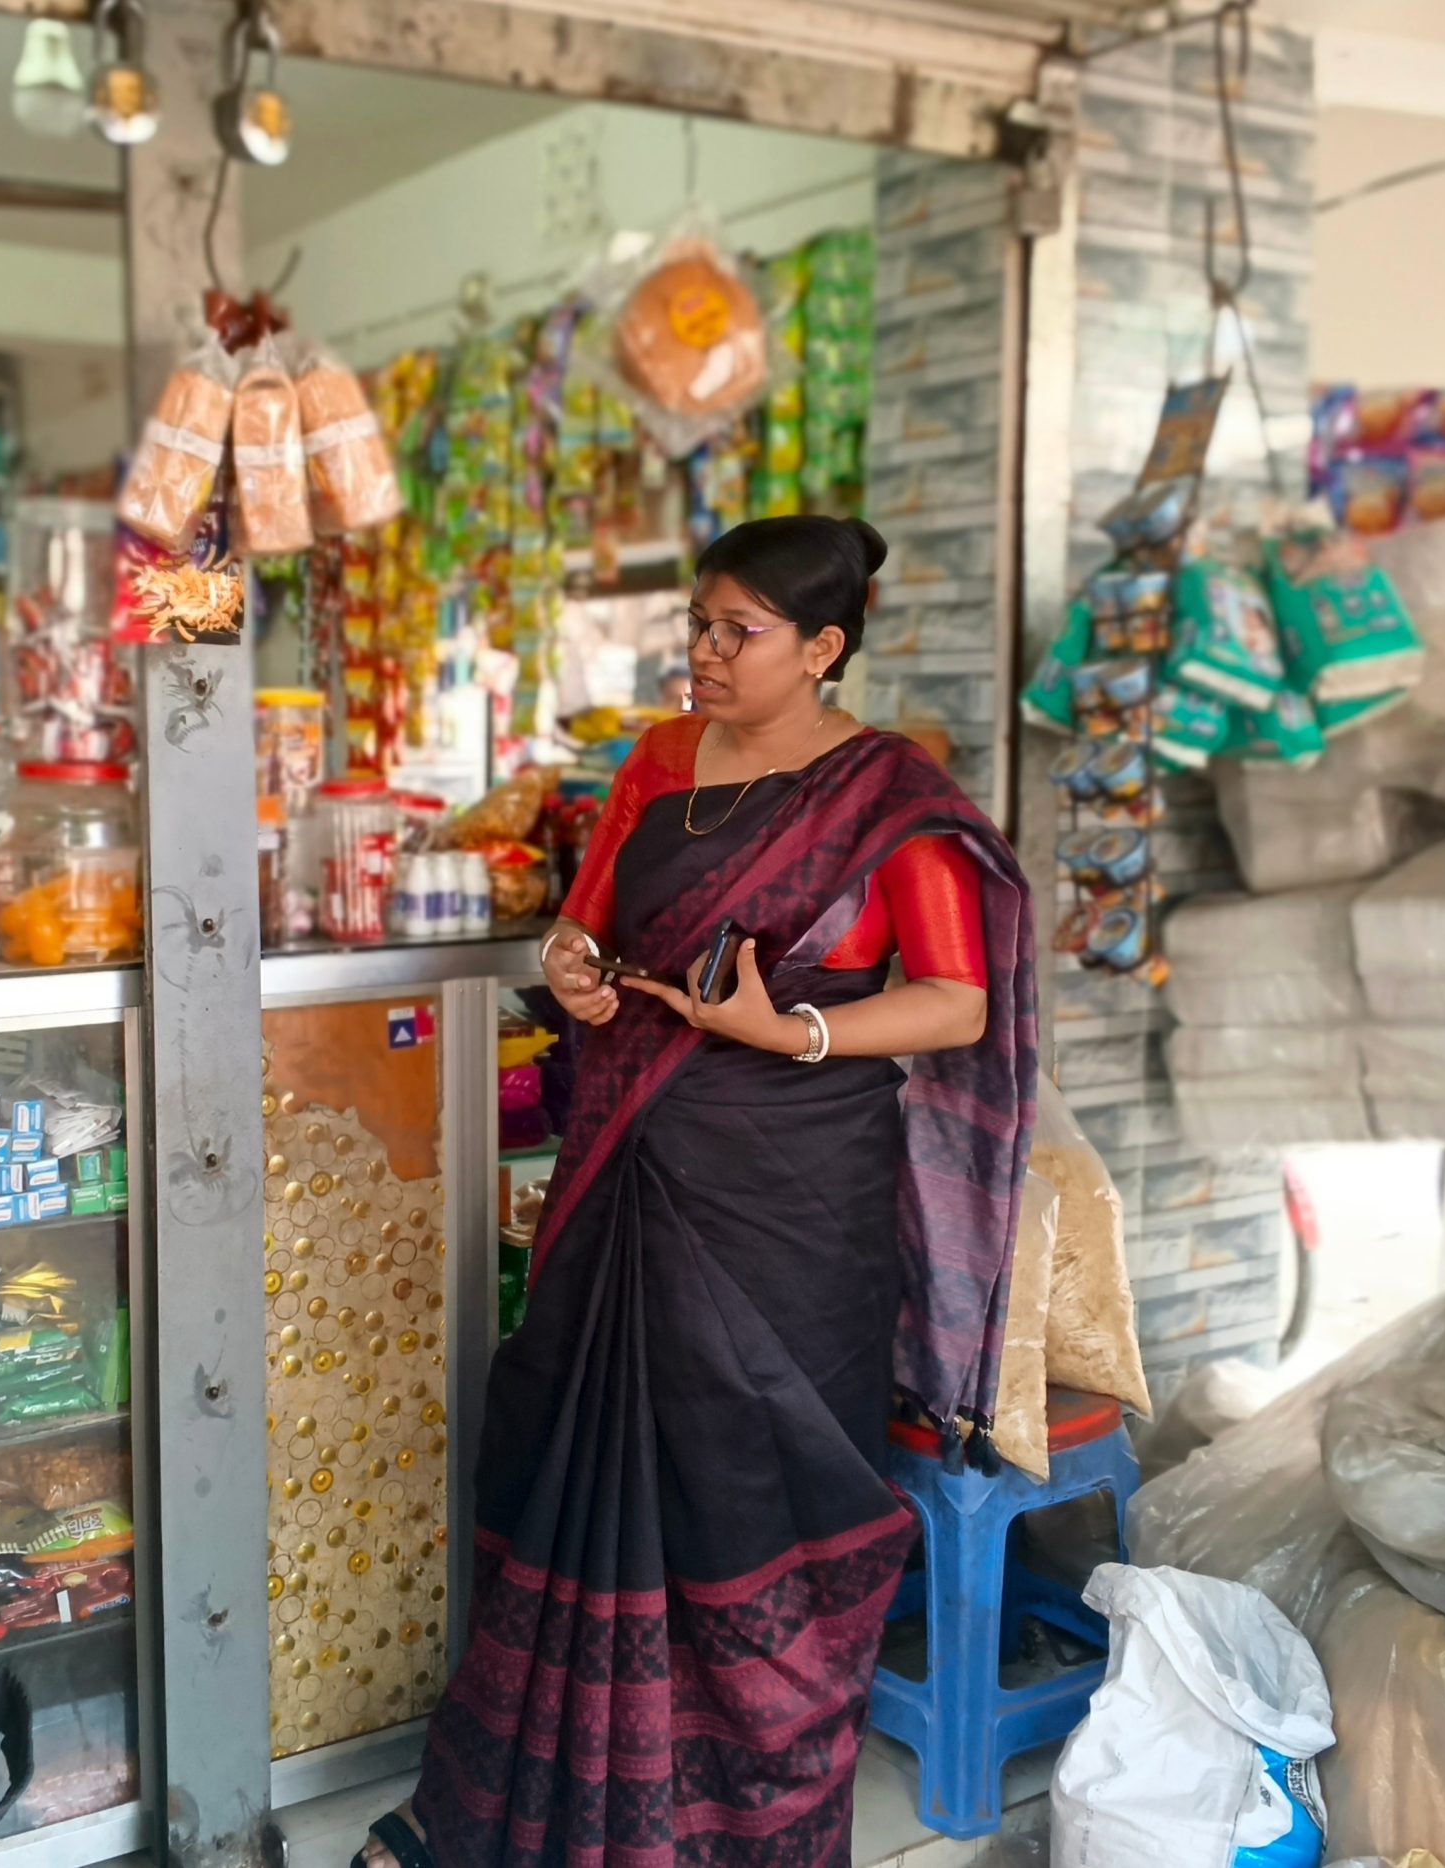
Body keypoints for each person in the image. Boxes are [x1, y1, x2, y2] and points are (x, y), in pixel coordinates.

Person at [357, 515, 1039, 1868]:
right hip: (626, 1165)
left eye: (741, 631)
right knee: (575, 1453)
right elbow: (588, 920)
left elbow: (956, 1003)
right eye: (700, 626)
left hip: (792, 1202)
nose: (708, 652)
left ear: (824, 648)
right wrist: (571, 964)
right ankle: (523, 1816)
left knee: (746, 1479)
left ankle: (729, 1830)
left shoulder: (888, 795)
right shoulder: (661, 761)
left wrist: (795, 1032)